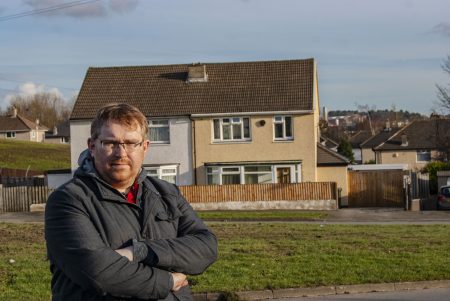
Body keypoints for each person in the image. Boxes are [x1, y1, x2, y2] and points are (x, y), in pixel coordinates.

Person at [45, 103, 218, 301]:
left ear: (145, 147)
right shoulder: (68, 200)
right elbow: (97, 271)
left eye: (130, 143)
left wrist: (139, 251)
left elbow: (207, 247)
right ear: (92, 146)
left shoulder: (166, 193)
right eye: (110, 143)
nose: (121, 153)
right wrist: (168, 281)